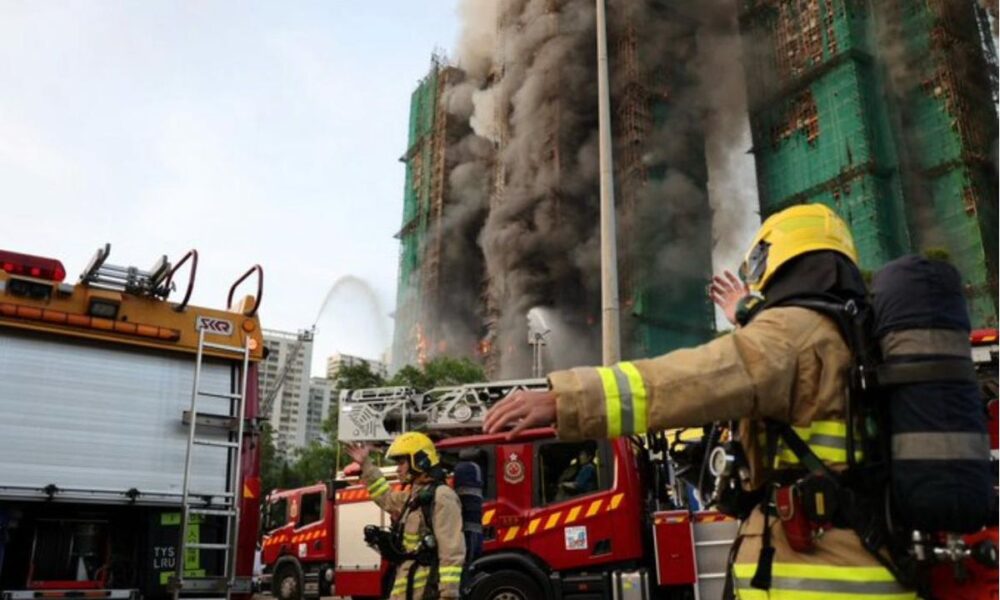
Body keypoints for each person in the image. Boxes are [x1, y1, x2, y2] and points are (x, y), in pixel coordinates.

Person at [482, 204, 916, 600]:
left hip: (813, 577)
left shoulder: (793, 333)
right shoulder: (864, 333)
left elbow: (688, 381)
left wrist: (567, 399)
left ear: (776, 260)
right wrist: (748, 314)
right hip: (877, 561)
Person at [346, 432, 465, 600]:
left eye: (402, 462)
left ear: (419, 461)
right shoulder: (414, 497)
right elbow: (385, 497)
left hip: (424, 592)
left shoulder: (442, 497)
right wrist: (366, 463)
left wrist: (448, 596)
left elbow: (451, 552)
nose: (398, 469)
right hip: (405, 589)